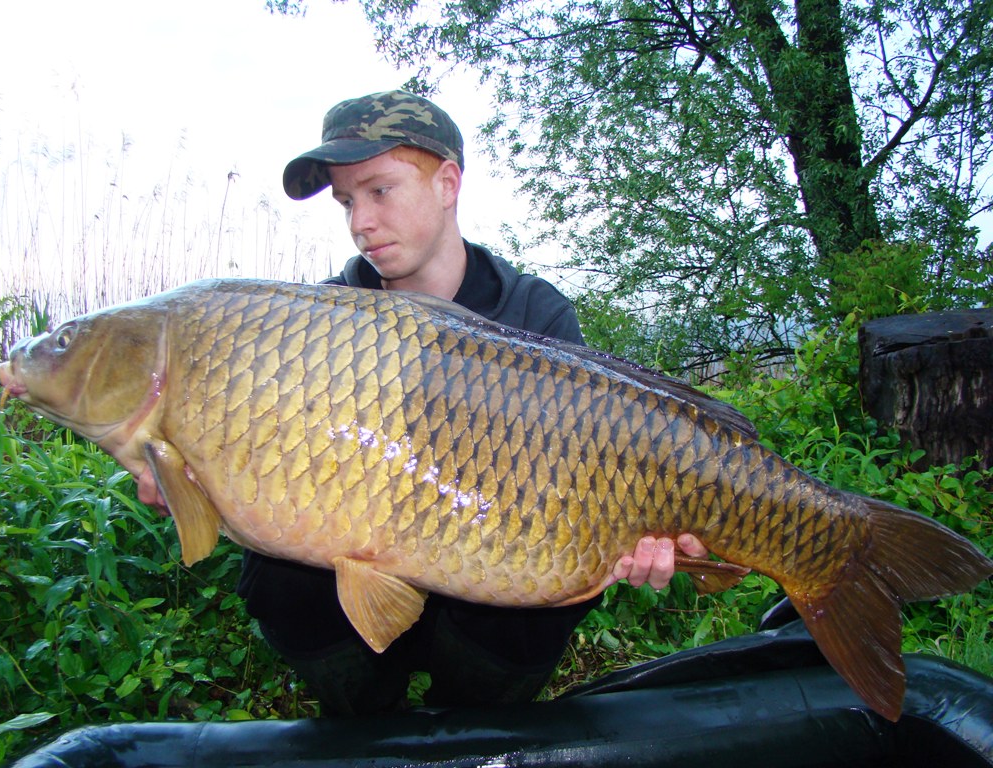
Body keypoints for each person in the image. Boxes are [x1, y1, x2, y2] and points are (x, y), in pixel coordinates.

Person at [145, 90, 709, 715]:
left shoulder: (534, 315)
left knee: (559, 593)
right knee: (277, 576)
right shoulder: (319, 327)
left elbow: (604, 469)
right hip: (360, 588)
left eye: (379, 191)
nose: (360, 221)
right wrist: (190, 474)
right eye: (347, 202)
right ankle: (368, 723)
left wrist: (645, 538)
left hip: (491, 584)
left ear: (447, 183)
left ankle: (473, 726)